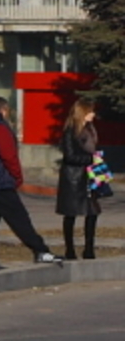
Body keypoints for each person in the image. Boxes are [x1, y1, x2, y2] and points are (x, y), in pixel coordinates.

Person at [0, 96, 58, 272]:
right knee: (19, 218)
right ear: (4, 111)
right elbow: (9, 156)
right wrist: (17, 177)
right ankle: (40, 251)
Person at [56, 97, 101, 261]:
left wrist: (96, 160)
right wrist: (90, 159)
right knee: (71, 213)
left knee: (92, 212)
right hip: (73, 177)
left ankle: (89, 248)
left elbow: (93, 148)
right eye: (90, 111)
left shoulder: (90, 129)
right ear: (83, 112)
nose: (93, 114)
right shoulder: (70, 131)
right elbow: (70, 156)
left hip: (89, 176)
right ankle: (70, 249)